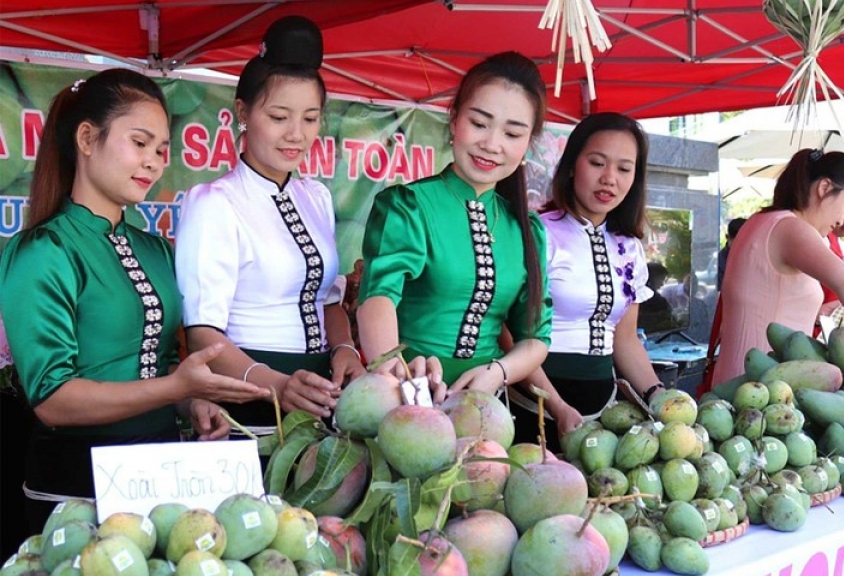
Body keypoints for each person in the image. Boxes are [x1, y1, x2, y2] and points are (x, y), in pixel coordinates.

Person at [0, 69, 268, 530]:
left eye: (162, 149)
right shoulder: (43, 251)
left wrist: (190, 405)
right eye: (140, 143)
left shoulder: (157, 250)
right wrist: (177, 389)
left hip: (158, 484)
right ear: (87, 138)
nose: (154, 162)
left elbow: (161, 365)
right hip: (73, 495)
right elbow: (53, 398)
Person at [175, 16, 364, 437]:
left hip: (319, 396)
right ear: (242, 112)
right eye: (279, 116)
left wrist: (346, 349)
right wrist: (277, 386)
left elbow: (328, 300)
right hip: (248, 401)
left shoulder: (316, 197)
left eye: (310, 118)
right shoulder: (215, 203)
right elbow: (203, 333)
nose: (296, 134)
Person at [357, 51, 552, 401]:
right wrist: (401, 383)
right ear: (454, 119)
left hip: (485, 406)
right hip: (404, 394)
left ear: (527, 144)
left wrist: (497, 373)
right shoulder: (408, 206)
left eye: (512, 133)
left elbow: (536, 337)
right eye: (479, 124)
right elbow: (378, 298)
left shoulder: (526, 229)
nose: (492, 145)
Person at [507, 112, 665, 451]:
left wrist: (658, 395)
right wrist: (558, 406)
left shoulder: (630, 247)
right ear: (571, 165)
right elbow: (507, 333)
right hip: (531, 408)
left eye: (624, 169)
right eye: (597, 163)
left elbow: (625, 340)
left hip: (604, 413)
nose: (609, 178)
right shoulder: (536, 233)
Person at [712, 149, 844, 387]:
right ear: (824, 188)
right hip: (761, 386)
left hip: (748, 381)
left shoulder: (761, 221)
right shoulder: (789, 228)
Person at [716, 217, 746, 292]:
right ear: (727, 237)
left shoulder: (753, 255)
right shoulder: (721, 259)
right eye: (736, 242)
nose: (740, 246)